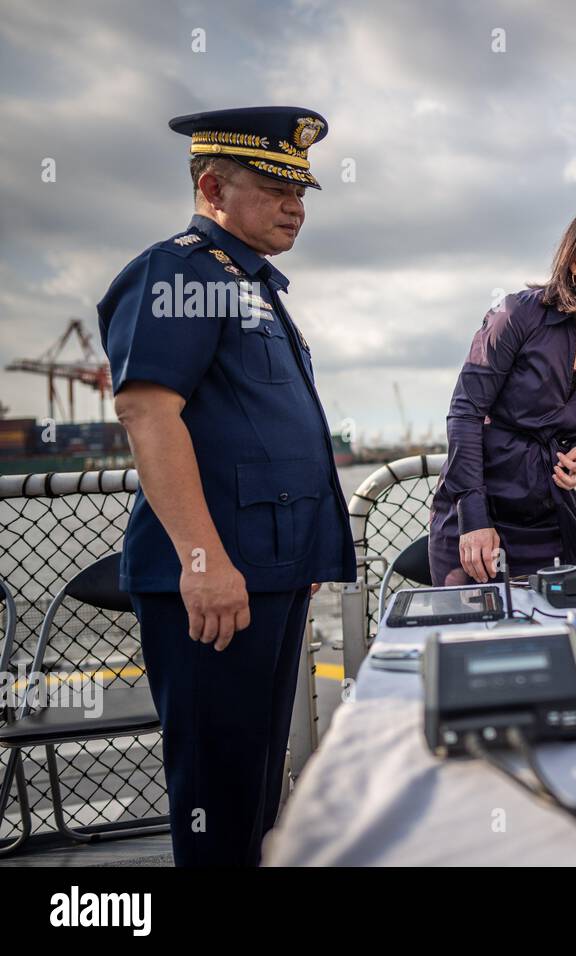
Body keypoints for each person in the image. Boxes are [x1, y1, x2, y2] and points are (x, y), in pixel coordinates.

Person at [96, 106, 354, 866]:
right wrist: (203, 564)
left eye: (301, 192)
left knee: (251, 786)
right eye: (276, 189)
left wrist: (296, 566)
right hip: (219, 579)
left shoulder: (250, 283)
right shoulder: (178, 271)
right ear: (211, 185)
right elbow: (148, 411)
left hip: (266, 574)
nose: (296, 208)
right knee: (217, 791)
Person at [428, 201, 576, 585]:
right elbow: (465, 415)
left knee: (565, 627)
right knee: (480, 638)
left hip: (549, 518)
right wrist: (474, 520)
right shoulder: (515, 315)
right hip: (479, 513)